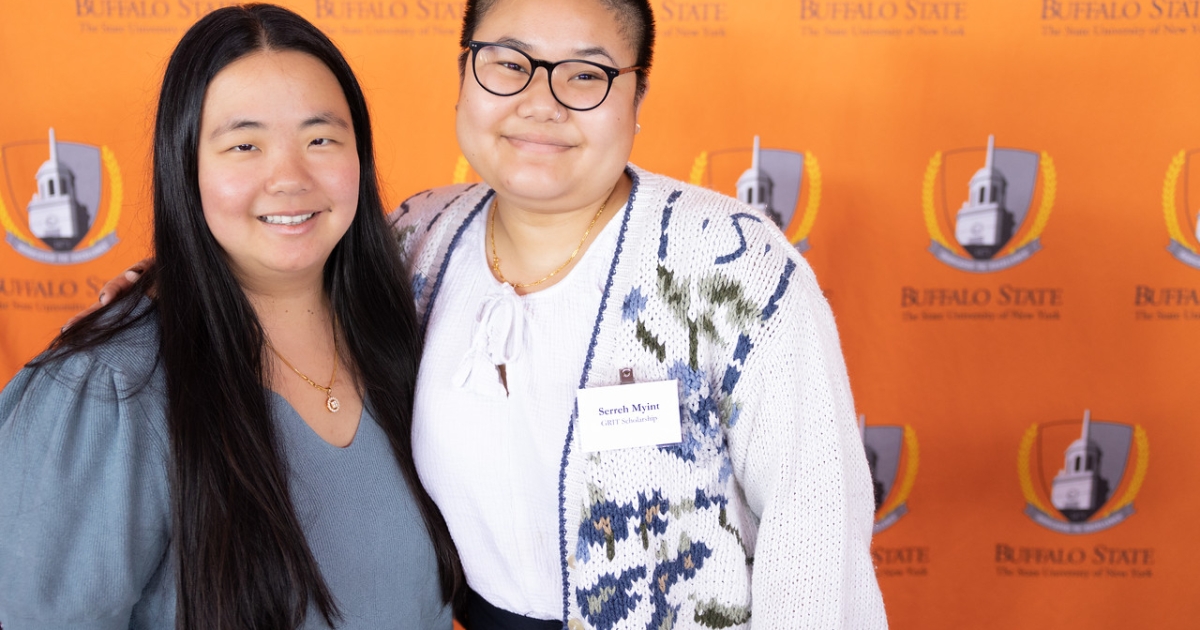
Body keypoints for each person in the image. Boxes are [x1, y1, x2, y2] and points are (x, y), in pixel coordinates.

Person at [76, 0, 887, 627]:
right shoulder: (419, 238)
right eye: (509, 65)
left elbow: (817, 536)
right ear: (464, 74)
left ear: (637, 94)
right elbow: (283, 268)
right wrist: (171, 278)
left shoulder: (733, 265)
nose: (540, 103)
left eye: (586, 75)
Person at [0, 5, 461, 629]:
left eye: (320, 139)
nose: (289, 178)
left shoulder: (412, 323)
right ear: (185, 165)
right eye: (245, 145)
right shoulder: (111, 388)